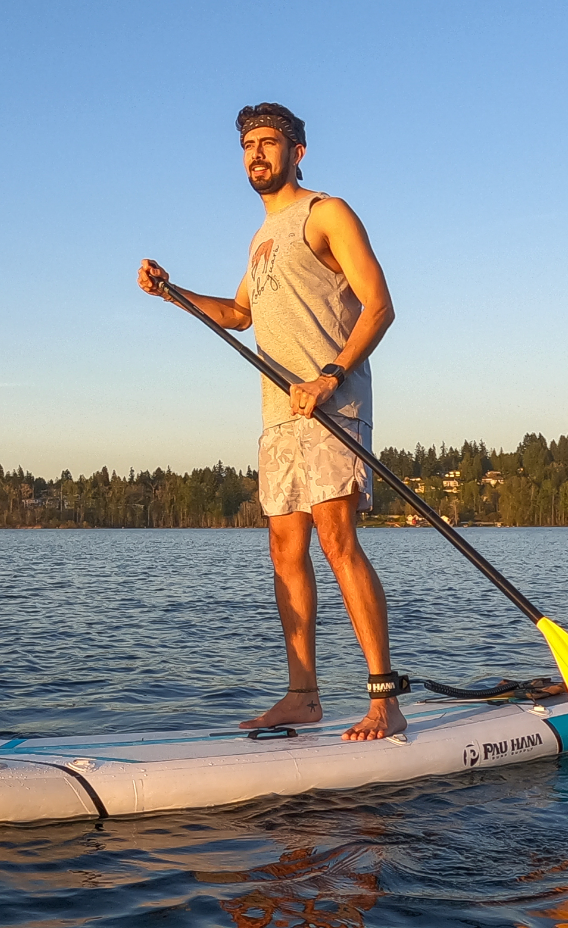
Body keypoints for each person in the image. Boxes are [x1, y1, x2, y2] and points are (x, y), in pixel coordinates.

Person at [138, 103, 405, 741]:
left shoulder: (326, 213)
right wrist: (175, 293)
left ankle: (384, 700)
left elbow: (381, 305)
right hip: (278, 417)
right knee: (285, 553)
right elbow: (237, 313)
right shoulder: (260, 238)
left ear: (298, 151)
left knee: (338, 543)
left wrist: (330, 376)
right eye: (248, 145)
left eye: (269, 142)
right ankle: (302, 695)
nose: (257, 154)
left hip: (331, 407)